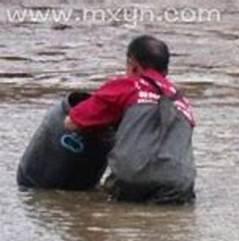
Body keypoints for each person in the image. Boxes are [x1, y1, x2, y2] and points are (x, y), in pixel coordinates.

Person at [64, 35, 196, 204]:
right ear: (166, 70)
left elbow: (72, 122)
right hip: (179, 187)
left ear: (133, 65)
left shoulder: (128, 86)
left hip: (133, 183)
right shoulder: (182, 102)